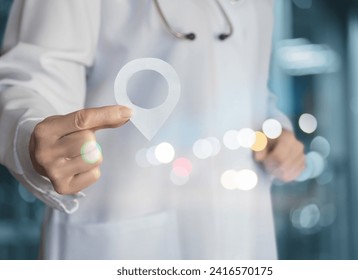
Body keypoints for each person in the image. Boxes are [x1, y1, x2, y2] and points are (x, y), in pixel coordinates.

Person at [0, 0, 304, 259]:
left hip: (243, 232)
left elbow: (247, 87)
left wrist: (276, 130)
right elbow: (32, 79)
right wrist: (34, 137)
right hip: (122, 233)